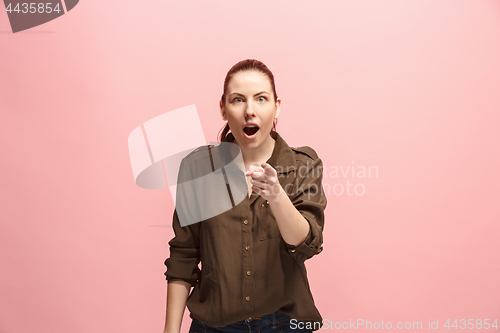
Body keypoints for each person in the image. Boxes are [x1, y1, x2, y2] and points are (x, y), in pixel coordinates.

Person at [163, 59, 327, 333]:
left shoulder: (303, 165)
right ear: (223, 108)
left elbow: (306, 244)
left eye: (261, 99)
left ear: (276, 107)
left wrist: (276, 196)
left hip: (284, 325)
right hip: (213, 326)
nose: (250, 111)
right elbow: (184, 255)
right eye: (238, 100)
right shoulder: (197, 168)